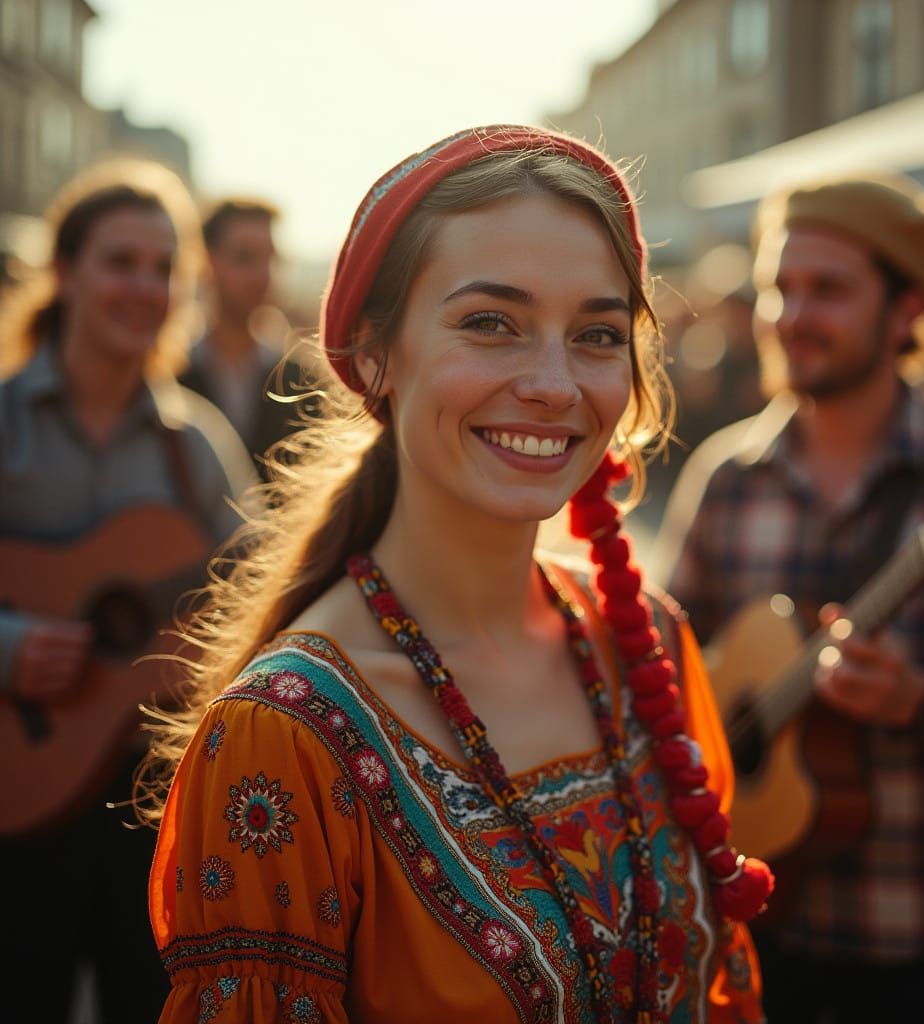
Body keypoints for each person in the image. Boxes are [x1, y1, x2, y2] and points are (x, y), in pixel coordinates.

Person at [143, 125, 774, 1024]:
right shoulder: (279, 738)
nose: (556, 384)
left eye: (597, 334)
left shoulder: (649, 648)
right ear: (372, 353)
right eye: (491, 323)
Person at [656, 173, 924, 1023]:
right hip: (749, 934)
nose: (790, 316)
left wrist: (920, 701)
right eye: (779, 288)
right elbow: (663, 676)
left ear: (907, 311)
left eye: (827, 290)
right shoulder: (727, 477)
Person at [0, 159, 252, 1022]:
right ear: (64, 273)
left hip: (153, 808)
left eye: (163, 267)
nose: (146, 286)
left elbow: (259, 599)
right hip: (15, 793)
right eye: (121, 262)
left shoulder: (198, 446)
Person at [180, 197, 307, 479]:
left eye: (270, 259)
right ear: (206, 263)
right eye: (245, 258)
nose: (262, 275)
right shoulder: (170, 371)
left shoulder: (302, 378)